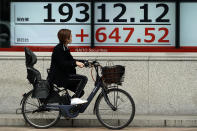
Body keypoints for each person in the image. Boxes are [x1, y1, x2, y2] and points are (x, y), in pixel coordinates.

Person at [48, 29, 88, 105]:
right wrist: (76, 63)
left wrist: (84, 61)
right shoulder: (58, 49)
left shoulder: (65, 48)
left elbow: (71, 60)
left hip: (64, 75)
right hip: (59, 77)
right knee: (84, 79)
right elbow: (62, 63)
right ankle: (73, 101)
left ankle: (68, 108)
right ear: (66, 38)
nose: (72, 38)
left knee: (80, 92)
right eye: (71, 36)